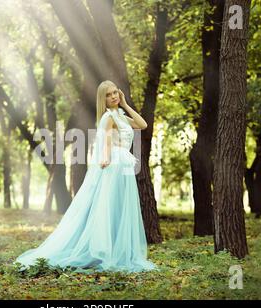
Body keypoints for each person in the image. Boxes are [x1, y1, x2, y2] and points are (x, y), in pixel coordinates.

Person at [15, 80, 157, 273]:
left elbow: (142, 124)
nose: (113, 96)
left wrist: (124, 104)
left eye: (115, 93)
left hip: (123, 164)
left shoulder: (120, 115)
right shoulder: (109, 117)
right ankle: (104, 251)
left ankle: (117, 249)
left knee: (119, 207)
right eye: (109, 95)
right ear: (103, 100)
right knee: (109, 206)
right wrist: (105, 158)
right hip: (114, 164)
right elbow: (107, 140)